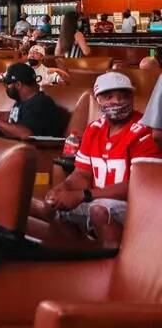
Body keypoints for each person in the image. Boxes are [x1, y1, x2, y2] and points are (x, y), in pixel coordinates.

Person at [35, 72, 159, 247]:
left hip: (137, 204)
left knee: (99, 210)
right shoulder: (94, 129)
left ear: (132, 97)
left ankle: (114, 265)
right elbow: (82, 174)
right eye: (108, 96)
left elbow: (138, 186)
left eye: (124, 95)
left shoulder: (145, 131)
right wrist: (64, 188)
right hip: (96, 198)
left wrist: (82, 195)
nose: (116, 101)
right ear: (97, 99)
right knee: (54, 205)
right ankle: (80, 257)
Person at [0, 63, 67, 138]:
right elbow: (15, 117)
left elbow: (25, 134)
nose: (6, 87)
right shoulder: (24, 101)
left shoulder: (40, 103)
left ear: (18, 85)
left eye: (7, 84)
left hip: (34, 153)